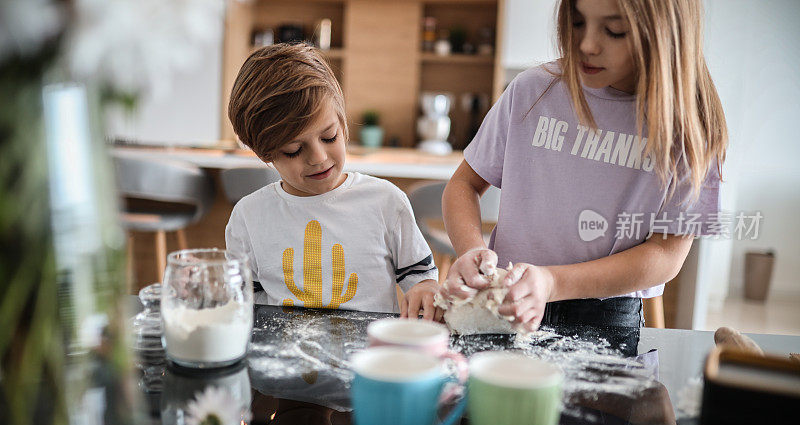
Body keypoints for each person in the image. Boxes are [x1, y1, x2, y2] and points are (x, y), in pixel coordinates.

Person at [442, 0, 727, 330]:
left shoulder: (690, 129)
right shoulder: (532, 91)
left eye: (614, 30)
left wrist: (553, 282)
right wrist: (472, 252)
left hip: (605, 314)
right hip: (505, 300)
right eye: (577, 23)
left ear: (665, 36)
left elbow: (666, 254)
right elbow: (463, 185)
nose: (587, 45)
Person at [226, 43, 440, 319]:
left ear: (343, 123)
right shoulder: (248, 217)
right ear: (263, 153)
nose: (318, 157)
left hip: (369, 356)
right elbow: (244, 307)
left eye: (329, 137)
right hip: (285, 356)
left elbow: (422, 278)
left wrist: (426, 289)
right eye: (293, 150)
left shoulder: (386, 202)